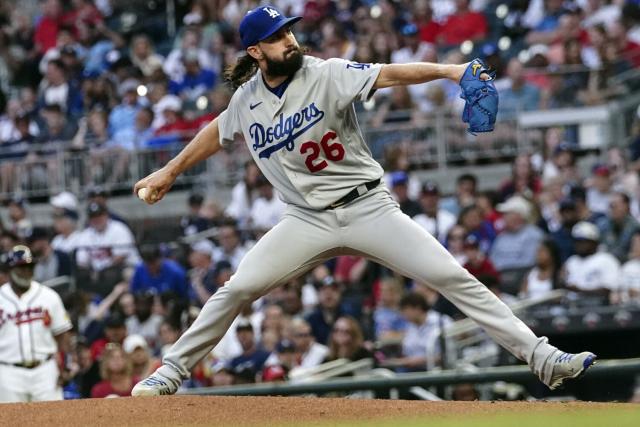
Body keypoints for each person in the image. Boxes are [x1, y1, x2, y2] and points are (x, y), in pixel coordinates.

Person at [131, 5, 595, 396]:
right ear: (255, 52)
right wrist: (170, 171)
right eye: (276, 37)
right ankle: (170, 372)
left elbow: (391, 74)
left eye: (288, 30)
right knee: (237, 289)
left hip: (368, 207)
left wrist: (453, 71)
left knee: (451, 276)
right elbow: (217, 130)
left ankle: (543, 358)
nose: (289, 40)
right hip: (306, 219)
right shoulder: (246, 100)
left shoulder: (326, 72)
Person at [0, 245, 72, 402]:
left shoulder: (49, 296)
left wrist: (66, 366)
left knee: (53, 420)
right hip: (7, 371)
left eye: (30, 266)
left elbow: (62, 335)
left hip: (45, 370)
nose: (26, 271)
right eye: (21, 267)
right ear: (10, 270)